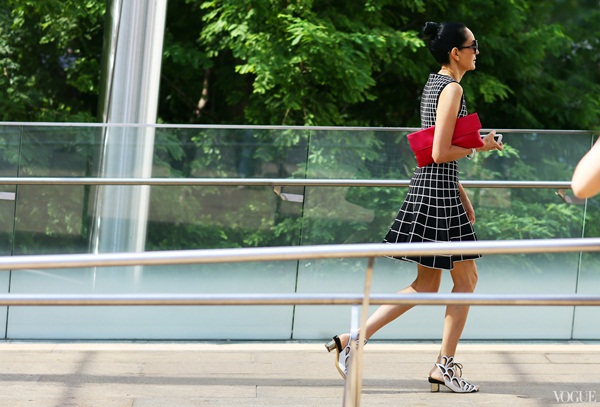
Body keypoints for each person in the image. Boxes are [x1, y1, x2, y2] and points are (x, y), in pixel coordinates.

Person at [325, 21, 503, 393]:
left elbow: (432, 150)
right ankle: (444, 366)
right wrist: (480, 147)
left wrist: (462, 194)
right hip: (437, 192)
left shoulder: (433, 84)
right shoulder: (452, 88)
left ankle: (354, 340)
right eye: (473, 45)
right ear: (456, 52)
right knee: (465, 281)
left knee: (427, 285)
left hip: (435, 189)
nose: (477, 51)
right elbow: (439, 151)